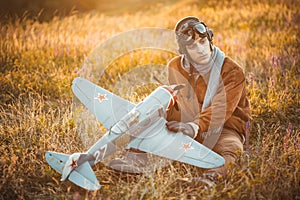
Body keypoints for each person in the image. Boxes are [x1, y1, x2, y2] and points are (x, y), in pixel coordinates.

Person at [165, 16, 252, 182]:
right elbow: (179, 100)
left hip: (225, 127)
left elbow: (221, 109)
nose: (200, 49)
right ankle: (134, 160)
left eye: (203, 41)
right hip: (188, 122)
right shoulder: (174, 67)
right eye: (192, 46)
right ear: (184, 51)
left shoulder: (231, 71)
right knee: (153, 118)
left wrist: (194, 127)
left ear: (210, 40)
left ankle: (209, 179)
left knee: (231, 150)